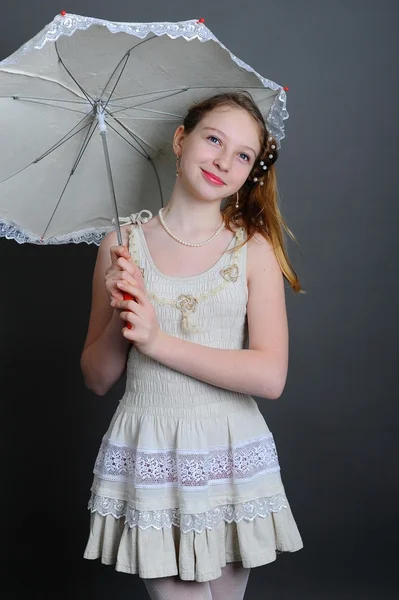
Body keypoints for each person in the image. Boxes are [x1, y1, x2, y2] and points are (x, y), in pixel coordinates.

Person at [80, 90, 304, 600]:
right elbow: (96, 378)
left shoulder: (253, 249)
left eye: (243, 155)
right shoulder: (121, 246)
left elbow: (270, 376)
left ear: (252, 170)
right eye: (213, 140)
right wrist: (123, 311)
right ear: (181, 141)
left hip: (229, 452)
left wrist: (158, 340)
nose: (224, 161)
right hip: (153, 446)